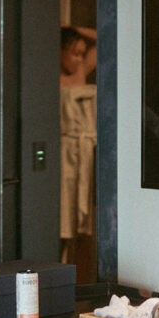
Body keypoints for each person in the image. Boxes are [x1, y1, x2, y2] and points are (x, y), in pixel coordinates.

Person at [59, 27, 97, 272]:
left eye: (83, 54)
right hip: (66, 152)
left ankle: (78, 274)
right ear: (61, 51)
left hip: (87, 152)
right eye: (74, 53)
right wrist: (62, 30)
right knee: (65, 216)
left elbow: (103, 37)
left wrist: (72, 29)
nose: (80, 59)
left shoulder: (83, 70)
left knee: (85, 224)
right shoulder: (54, 76)